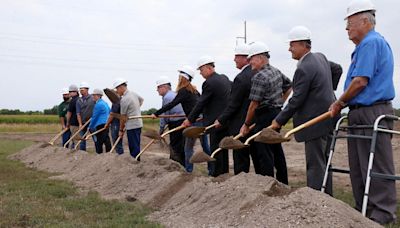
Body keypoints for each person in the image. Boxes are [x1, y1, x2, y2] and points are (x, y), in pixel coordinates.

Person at [329, 0, 396, 224]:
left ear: (365, 21)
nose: (346, 29)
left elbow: (360, 82)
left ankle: (382, 213)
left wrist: (339, 102)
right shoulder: (362, 47)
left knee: (375, 163)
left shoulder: (371, 43)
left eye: (350, 23)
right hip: (359, 110)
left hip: (372, 110)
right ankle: (363, 210)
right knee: (358, 166)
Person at [270, 26, 339, 194]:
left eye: (292, 45)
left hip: (314, 122)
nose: (289, 49)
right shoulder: (320, 57)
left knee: (315, 164)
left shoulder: (303, 68)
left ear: (302, 45)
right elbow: (337, 69)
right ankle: (327, 198)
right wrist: (329, 91)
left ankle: (316, 200)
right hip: (328, 117)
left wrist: (278, 121)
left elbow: (296, 100)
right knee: (324, 161)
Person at [240, 42, 291, 184]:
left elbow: (253, 105)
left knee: (263, 150)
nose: (249, 62)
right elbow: (289, 85)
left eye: (252, 59)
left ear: (261, 58)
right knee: (276, 147)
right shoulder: (276, 71)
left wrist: (246, 124)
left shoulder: (259, 77)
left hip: (264, 115)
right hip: (276, 114)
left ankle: (267, 183)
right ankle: (283, 182)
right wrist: (280, 102)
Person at [152, 66, 211, 173]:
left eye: (179, 77)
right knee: (206, 147)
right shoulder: (194, 90)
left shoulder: (183, 91)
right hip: (202, 120)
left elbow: (172, 104)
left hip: (194, 123)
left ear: (183, 78)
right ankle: (212, 169)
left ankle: (189, 171)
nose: (178, 79)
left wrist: (156, 114)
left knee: (188, 148)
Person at [183, 56, 231, 177]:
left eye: (201, 70)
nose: (200, 73)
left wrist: (190, 119)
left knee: (215, 150)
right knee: (223, 148)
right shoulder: (224, 78)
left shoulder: (208, 83)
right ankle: (224, 173)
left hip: (215, 123)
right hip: (225, 120)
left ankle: (216, 175)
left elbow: (201, 103)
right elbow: (217, 100)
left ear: (209, 68)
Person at [214, 43, 259, 175]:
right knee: (257, 156)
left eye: (237, 56)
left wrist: (221, 119)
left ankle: (241, 185)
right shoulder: (257, 73)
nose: (234, 59)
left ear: (246, 58)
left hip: (241, 124)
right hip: (255, 122)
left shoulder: (241, 78)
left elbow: (234, 104)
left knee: (240, 158)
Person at [154, 76, 186, 166]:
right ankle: (183, 165)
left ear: (164, 87)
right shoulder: (174, 94)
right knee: (181, 145)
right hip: (182, 122)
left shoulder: (167, 97)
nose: (157, 90)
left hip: (176, 123)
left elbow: (164, 115)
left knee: (175, 146)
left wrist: (160, 130)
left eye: (158, 87)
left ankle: (176, 166)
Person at [113, 78, 144, 159]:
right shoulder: (133, 93)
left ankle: (135, 162)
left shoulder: (124, 99)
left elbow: (123, 117)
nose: (116, 91)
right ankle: (137, 160)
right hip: (138, 123)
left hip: (132, 125)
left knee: (133, 147)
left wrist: (120, 130)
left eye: (117, 89)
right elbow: (142, 100)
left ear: (121, 87)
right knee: (136, 144)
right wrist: (135, 109)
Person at [89, 89, 111, 154]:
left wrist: (90, 126)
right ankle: (108, 152)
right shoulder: (105, 103)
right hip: (106, 123)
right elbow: (109, 112)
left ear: (98, 96)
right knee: (106, 139)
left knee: (99, 141)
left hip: (100, 124)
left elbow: (94, 117)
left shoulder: (98, 105)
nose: (93, 96)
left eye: (94, 95)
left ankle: (99, 154)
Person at [76, 82, 95, 151]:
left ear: (87, 89)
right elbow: (78, 113)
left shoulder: (93, 98)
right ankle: (82, 153)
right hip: (83, 123)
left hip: (92, 122)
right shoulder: (79, 100)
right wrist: (80, 124)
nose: (81, 91)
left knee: (95, 138)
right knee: (82, 139)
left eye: (82, 89)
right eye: (80, 89)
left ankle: (99, 153)